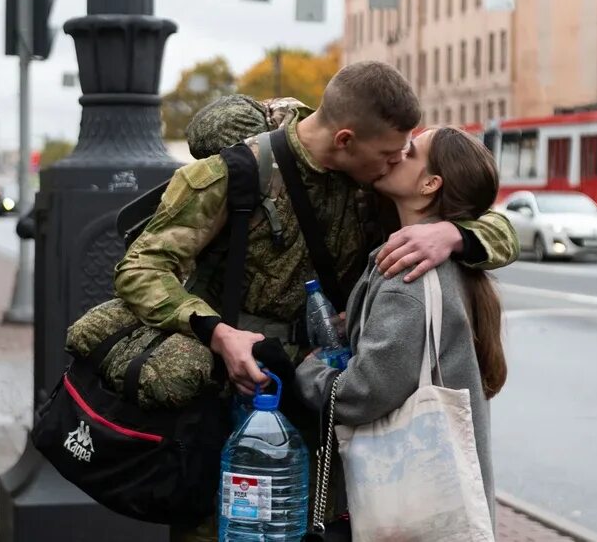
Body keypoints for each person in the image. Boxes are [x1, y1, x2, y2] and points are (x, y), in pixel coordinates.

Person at [112, 62, 518, 541]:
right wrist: (217, 333)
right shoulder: (239, 174)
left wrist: (452, 234)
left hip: (328, 412)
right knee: (227, 528)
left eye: (405, 151)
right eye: (391, 152)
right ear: (345, 139)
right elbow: (140, 270)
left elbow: (490, 218)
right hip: (238, 406)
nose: (397, 159)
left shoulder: (374, 180)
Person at [295, 126, 507, 530]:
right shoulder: (454, 259)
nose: (396, 154)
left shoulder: (408, 273)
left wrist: (310, 369)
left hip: (412, 511)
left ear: (430, 184)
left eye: (411, 153)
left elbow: (363, 393)